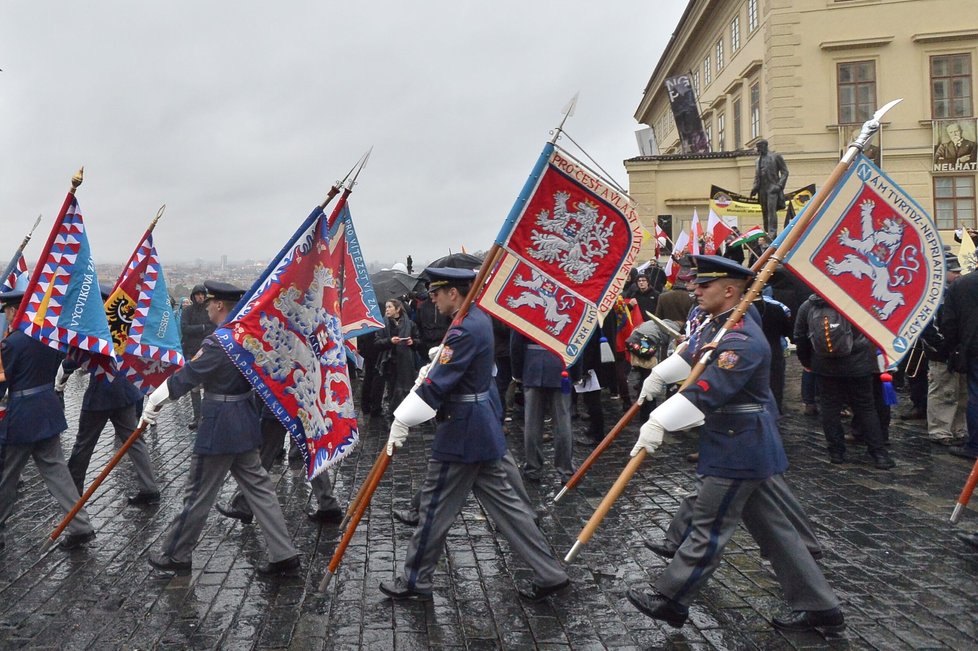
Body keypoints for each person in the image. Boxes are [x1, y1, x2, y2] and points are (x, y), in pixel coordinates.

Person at [626, 255, 845, 634]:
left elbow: (708, 391)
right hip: (740, 443)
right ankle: (821, 607)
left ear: (729, 291)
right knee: (777, 533)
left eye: (704, 285)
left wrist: (659, 422)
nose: (695, 289)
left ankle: (672, 599)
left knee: (709, 526)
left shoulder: (742, 339)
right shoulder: (723, 324)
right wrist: (660, 375)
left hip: (739, 445)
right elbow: (696, 354)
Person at [380, 267, 569, 603]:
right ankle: (550, 573)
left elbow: (441, 383)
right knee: (510, 510)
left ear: (454, 293)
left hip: (462, 431)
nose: (433, 299)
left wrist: (402, 418)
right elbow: (453, 367)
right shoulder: (474, 319)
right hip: (480, 427)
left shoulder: (464, 328)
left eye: (437, 293)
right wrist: (437, 363)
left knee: (435, 507)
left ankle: (414, 579)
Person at [141, 281, 300, 575]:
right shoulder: (246, 337)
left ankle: (176, 553)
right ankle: (284, 554)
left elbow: (189, 375)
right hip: (245, 419)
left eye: (209, 304)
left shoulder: (219, 342)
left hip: (219, 424)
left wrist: (155, 400)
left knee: (198, 492)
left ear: (218, 306)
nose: (207, 309)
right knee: (260, 489)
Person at [0, 288, 97, 551]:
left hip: (21, 416)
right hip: (48, 409)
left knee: (7, 476)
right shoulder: (48, 338)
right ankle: (80, 525)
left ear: (14, 310)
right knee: (57, 472)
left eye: (7, 311)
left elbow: (3, 382)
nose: (7, 317)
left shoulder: (12, 343)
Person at [794, 294, 895, 469]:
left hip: (824, 365)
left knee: (830, 408)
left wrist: (807, 363)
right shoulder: (856, 300)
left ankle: (836, 453)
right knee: (866, 408)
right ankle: (879, 454)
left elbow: (799, 336)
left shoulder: (808, 305)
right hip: (859, 364)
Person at [216, 403, 343, 525]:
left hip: (279, 400)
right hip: (302, 400)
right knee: (310, 450)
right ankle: (328, 503)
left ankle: (244, 504)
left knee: (263, 453)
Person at [511, 331, 576, 483]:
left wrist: (518, 372)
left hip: (532, 364)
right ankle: (566, 470)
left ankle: (533, 469)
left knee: (532, 423)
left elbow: (515, 342)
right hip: (562, 364)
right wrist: (576, 373)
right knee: (563, 422)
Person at [942, 255, 978, 461]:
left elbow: (949, 322)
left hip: (973, 346)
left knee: (975, 396)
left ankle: (975, 445)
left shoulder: (961, 284)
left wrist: (952, 348)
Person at [375, 298, 421, 415]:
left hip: (406, 361)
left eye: (390, 307)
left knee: (406, 388)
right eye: (386, 307)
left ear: (398, 309)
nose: (387, 310)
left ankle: (404, 412)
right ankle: (394, 412)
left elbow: (418, 341)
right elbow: (377, 343)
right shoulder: (383, 324)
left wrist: (413, 342)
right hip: (390, 361)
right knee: (392, 388)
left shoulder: (410, 324)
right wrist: (390, 341)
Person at [179, 284, 215, 430]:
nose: (200, 297)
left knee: (208, 387)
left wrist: (199, 329)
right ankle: (196, 417)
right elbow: (185, 328)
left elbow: (212, 328)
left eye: (202, 294)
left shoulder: (208, 310)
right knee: (193, 387)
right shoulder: (187, 311)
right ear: (193, 296)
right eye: (197, 294)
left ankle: (207, 416)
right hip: (191, 352)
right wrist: (201, 328)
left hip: (206, 352)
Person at [750, 139, 789, 237]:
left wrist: (779, 186)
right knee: (764, 211)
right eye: (757, 147)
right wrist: (754, 188)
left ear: (765, 146)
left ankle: (772, 233)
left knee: (771, 210)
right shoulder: (757, 160)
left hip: (772, 188)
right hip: (762, 189)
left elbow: (785, 172)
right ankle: (767, 232)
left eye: (759, 147)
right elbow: (757, 176)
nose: (758, 149)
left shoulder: (775, 157)